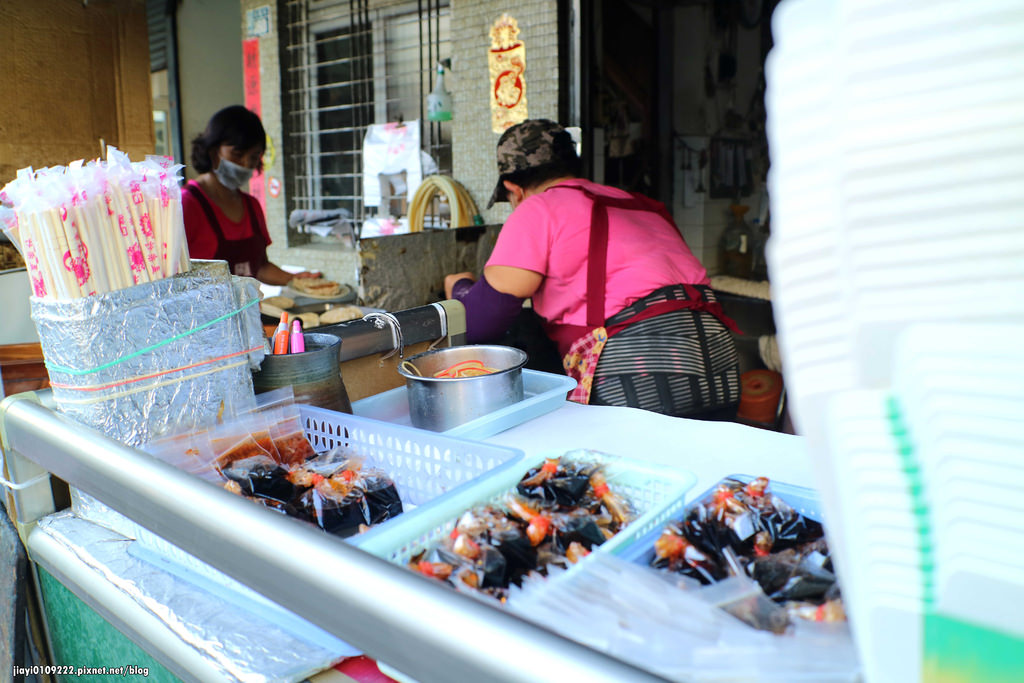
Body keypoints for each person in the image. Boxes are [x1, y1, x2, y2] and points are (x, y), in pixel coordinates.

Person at [444, 119, 741, 419]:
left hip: (641, 368)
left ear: (514, 190)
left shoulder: (538, 208)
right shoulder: (639, 203)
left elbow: (483, 321)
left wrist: (460, 288)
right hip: (720, 361)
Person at [183, 105, 318, 284]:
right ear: (213, 151)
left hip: (249, 311)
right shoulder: (186, 204)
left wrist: (295, 280)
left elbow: (260, 267)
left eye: (254, 157)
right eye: (237, 154)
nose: (246, 165)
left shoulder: (251, 205)